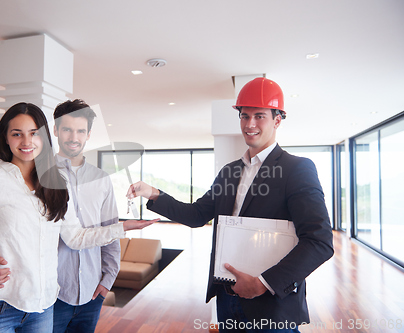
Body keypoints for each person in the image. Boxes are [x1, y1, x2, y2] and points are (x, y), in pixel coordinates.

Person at [127, 77, 334, 332]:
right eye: (244, 116)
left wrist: (263, 283)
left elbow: (319, 241)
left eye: (259, 116)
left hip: (271, 305)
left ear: (277, 120)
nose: (250, 124)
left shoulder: (297, 169)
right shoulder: (229, 172)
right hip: (227, 299)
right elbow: (197, 215)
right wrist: (153, 193)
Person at [0, 102, 154, 333]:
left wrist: (122, 228)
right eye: (17, 134)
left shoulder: (58, 182)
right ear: (6, 138)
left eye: (34, 134)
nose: (26, 142)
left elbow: (75, 237)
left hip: (44, 306)